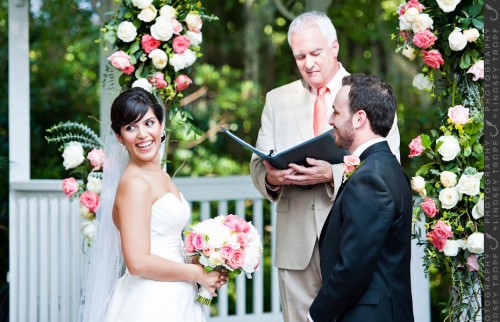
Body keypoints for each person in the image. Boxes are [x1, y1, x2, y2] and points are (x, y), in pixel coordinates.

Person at [249, 11, 400, 322]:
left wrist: (330, 174)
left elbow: (388, 164)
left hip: (352, 242)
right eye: (299, 56)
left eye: (315, 53)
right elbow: (257, 165)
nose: (308, 63)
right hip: (296, 248)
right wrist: (272, 177)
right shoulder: (276, 100)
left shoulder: (370, 95)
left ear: (334, 47)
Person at [79, 87, 226, 322]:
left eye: (149, 123)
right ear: (119, 136)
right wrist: (197, 273)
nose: (142, 134)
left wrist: (205, 260)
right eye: (130, 127)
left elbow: (166, 241)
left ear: (161, 125)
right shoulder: (135, 184)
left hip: (176, 294)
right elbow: (137, 262)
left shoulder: (162, 176)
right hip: (151, 301)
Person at [308, 74, 414, 322]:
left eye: (336, 112)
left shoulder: (371, 178)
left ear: (359, 119)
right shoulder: (388, 168)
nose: (330, 119)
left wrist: (317, 314)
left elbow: (354, 266)